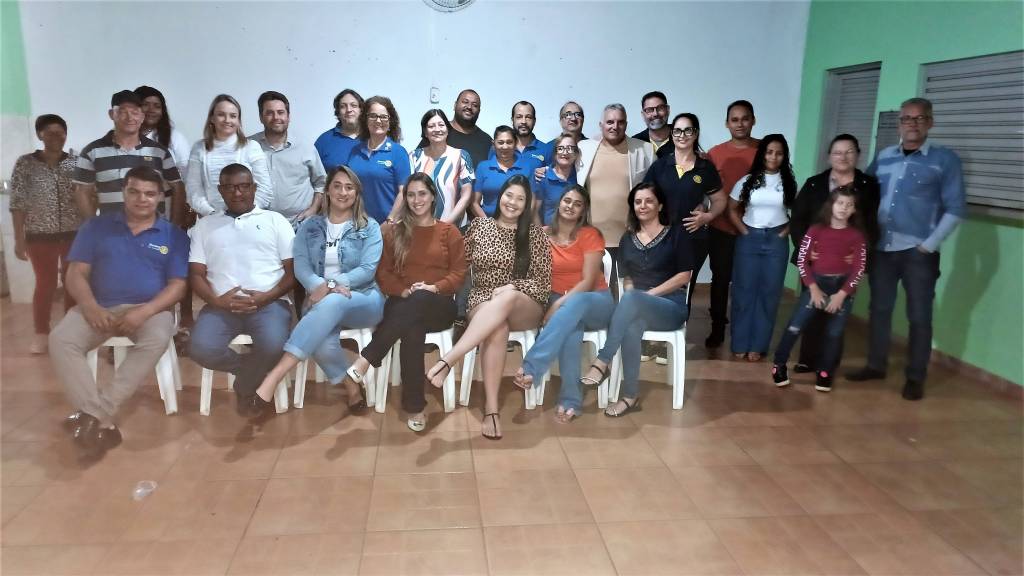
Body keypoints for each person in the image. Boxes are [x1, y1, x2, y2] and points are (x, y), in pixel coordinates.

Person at [49, 166, 188, 458]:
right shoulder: (96, 227)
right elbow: (75, 273)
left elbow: (177, 286)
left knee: (157, 338)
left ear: (160, 197)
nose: (142, 199)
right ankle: (101, 420)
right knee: (61, 339)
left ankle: (94, 413)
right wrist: (90, 306)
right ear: (123, 192)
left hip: (150, 310)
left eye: (150, 194)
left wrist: (145, 312)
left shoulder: (173, 235)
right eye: (134, 192)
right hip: (99, 306)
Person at [846, 97, 966, 401]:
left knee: (919, 316)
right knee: (879, 310)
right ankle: (876, 365)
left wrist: (929, 245)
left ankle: (915, 376)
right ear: (899, 124)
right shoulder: (884, 157)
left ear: (930, 122)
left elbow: (955, 208)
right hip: (883, 249)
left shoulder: (945, 160)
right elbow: (864, 194)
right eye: (906, 118)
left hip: (918, 253)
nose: (912, 124)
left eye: (919, 118)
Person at [250, 166, 385, 417]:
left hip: (364, 298)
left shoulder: (369, 227)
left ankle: (275, 375)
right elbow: (301, 265)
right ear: (327, 191)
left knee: (334, 301)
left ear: (356, 193)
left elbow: (367, 270)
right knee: (321, 343)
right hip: (319, 299)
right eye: (337, 186)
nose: (343, 192)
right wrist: (317, 286)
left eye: (349, 187)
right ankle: (351, 387)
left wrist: (330, 286)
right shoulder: (309, 226)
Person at [425, 175, 551, 439]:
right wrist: (434, 283)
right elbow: (458, 265)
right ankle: (491, 411)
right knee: (497, 326)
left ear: (527, 204)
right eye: (509, 195)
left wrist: (512, 287)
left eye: (520, 199)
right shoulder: (480, 226)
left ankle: (449, 360)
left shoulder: (535, 234)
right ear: (500, 196)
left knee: (507, 297)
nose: (512, 202)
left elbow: (543, 282)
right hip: (482, 299)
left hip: (524, 302)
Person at [345, 174, 466, 430]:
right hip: (402, 303)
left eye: (422, 194)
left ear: (433, 196)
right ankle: (415, 406)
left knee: (419, 303)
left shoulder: (449, 232)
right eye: (410, 195)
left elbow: (458, 274)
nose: (416, 200)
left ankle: (367, 359)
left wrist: (433, 288)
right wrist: (403, 292)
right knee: (412, 327)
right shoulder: (394, 232)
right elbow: (383, 273)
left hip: (440, 305)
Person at [188, 164, 295, 415]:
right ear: (220, 190)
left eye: (244, 186)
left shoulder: (275, 221)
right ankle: (252, 373)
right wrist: (217, 301)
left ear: (254, 188)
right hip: (221, 306)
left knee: (275, 345)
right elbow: (196, 275)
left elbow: (293, 273)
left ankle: (246, 384)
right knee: (200, 348)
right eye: (230, 187)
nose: (237, 193)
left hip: (269, 304)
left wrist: (266, 297)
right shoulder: (205, 226)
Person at [579, 182, 693, 416]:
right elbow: (627, 278)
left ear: (660, 205)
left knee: (632, 299)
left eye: (649, 201)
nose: (643, 205)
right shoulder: (628, 239)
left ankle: (602, 361)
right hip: (637, 307)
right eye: (638, 201)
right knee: (631, 325)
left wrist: (645, 296)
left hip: (671, 306)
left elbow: (684, 276)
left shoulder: (676, 234)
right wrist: (636, 298)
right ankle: (630, 396)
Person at [514, 185, 611, 423]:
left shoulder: (590, 235)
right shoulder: (542, 235)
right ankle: (570, 400)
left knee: (573, 306)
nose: (570, 206)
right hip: (560, 302)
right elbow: (534, 274)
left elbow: (588, 282)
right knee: (571, 329)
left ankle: (532, 366)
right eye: (567, 201)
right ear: (559, 204)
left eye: (577, 204)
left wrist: (557, 306)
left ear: (583, 211)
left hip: (595, 299)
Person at [789, 134, 879, 373]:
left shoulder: (868, 186)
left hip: (846, 263)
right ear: (829, 156)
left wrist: (859, 253)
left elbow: (871, 223)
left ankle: (829, 362)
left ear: (858, 155)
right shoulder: (814, 183)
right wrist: (807, 250)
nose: (843, 157)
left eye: (849, 152)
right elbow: (798, 219)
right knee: (812, 308)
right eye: (838, 152)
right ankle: (807, 359)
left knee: (837, 313)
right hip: (815, 261)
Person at [772, 186, 866, 392]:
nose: (844, 208)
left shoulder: (856, 236)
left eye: (849, 205)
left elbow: (859, 268)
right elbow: (802, 261)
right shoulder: (815, 230)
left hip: (842, 289)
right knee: (795, 326)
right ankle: (779, 364)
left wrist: (842, 295)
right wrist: (813, 288)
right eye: (840, 203)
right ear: (831, 205)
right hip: (817, 284)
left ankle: (825, 371)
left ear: (854, 210)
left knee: (834, 333)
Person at [10, 114, 81, 354]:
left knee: (73, 283)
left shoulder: (75, 163)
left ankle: (71, 331)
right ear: (40, 135)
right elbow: (18, 203)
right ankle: (41, 333)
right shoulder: (26, 164)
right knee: (46, 284)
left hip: (73, 233)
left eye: (61, 133)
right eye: (50, 133)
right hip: (39, 235)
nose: (56, 137)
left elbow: (86, 197)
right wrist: (19, 239)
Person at [643, 113, 724, 319]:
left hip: (692, 239)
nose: (682, 135)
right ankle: (656, 333)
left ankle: (678, 329)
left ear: (695, 134)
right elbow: (645, 198)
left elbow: (720, 200)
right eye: (678, 131)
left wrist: (707, 217)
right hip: (661, 239)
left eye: (688, 130)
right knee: (659, 285)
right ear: (672, 134)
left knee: (685, 288)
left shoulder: (705, 168)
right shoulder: (660, 166)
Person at [727, 134, 797, 361]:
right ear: (762, 154)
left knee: (769, 294)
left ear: (784, 156)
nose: (774, 157)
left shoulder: (788, 182)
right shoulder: (748, 180)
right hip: (749, 239)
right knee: (743, 291)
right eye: (769, 152)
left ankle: (758, 345)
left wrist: (785, 232)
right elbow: (731, 208)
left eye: (779, 153)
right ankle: (740, 343)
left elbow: (799, 212)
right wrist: (744, 230)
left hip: (776, 241)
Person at [73, 90, 183, 222]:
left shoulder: (159, 152)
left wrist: (174, 226)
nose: (129, 117)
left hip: (154, 231)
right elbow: (82, 192)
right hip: (111, 231)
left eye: (135, 112)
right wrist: (93, 228)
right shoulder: (91, 152)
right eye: (122, 111)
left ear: (142, 116)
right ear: (111, 114)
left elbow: (178, 187)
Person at [706, 100, 759, 348]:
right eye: (734, 120)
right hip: (721, 228)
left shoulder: (764, 151)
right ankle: (718, 326)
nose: (740, 124)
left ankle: (745, 329)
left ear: (753, 121)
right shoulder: (715, 154)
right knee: (720, 279)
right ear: (727, 123)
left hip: (753, 229)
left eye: (745, 118)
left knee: (749, 282)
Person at [576, 104, 655, 257]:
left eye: (620, 122)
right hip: (591, 239)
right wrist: (545, 170)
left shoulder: (645, 150)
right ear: (601, 125)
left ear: (626, 124)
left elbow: (657, 189)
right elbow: (564, 169)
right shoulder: (583, 149)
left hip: (631, 239)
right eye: (610, 122)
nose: (615, 126)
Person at [186, 94, 273, 217]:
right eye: (221, 115)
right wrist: (212, 214)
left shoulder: (252, 147)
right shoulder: (199, 148)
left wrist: (245, 214)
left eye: (233, 116)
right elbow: (193, 190)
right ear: (212, 118)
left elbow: (264, 189)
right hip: (211, 219)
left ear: (238, 120)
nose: (227, 120)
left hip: (248, 219)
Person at [252, 91, 328, 227]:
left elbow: (321, 183)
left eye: (280, 112)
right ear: (261, 117)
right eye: (269, 113)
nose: (276, 117)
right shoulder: (249, 146)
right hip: (259, 224)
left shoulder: (305, 147)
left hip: (299, 224)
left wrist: (313, 209)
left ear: (288, 116)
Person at [345, 95, 411, 224]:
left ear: (390, 122)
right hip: (357, 224)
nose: (378, 120)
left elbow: (404, 192)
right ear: (365, 120)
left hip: (388, 225)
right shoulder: (355, 151)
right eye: (373, 116)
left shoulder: (398, 152)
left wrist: (389, 221)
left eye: (384, 117)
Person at [409, 109, 475, 225]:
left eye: (441, 125)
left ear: (448, 129)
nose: (437, 129)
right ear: (425, 132)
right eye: (431, 126)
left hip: (455, 227)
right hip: (420, 226)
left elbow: (466, 194)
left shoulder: (462, 156)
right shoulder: (414, 156)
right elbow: (409, 193)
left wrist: (446, 224)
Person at [421, 89, 492, 168]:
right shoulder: (438, 132)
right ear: (455, 105)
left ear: (479, 111)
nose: (469, 107)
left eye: (475, 105)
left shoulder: (487, 141)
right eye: (465, 102)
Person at [134, 86, 191, 182]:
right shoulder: (123, 138)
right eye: (145, 104)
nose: (151, 110)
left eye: (157, 106)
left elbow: (188, 175)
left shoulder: (174, 137)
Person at [472, 125, 525, 218]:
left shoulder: (526, 168)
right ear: (493, 144)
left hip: (517, 224)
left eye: (509, 142)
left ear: (515, 143)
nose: (505, 147)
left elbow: (532, 203)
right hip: (487, 223)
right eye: (500, 142)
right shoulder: (483, 167)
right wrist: (488, 224)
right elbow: (474, 203)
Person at [533, 132, 578, 226]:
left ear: (576, 153)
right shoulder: (542, 177)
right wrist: (541, 233)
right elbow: (534, 211)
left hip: (576, 232)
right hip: (550, 233)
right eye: (560, 148)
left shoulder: (580, 176)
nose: (565, 152)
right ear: (555, 153)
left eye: (570, 148)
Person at [314, 88, 364, 171]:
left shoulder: (373, 138)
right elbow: (314, 175)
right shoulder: (324, 141)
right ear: (338, 112)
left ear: (361, 110)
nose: (349, 110)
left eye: (353, 105)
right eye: (343, 106)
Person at [509, 101, 552, 173]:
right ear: (512, 120)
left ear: (534, 121)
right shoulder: (500, 148)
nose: (524, 121)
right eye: (519, 117)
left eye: (528, 117)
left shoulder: (546, 150)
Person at [632, 91, 672, 157]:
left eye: (660, 108)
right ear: (643, 114)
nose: (655, 114)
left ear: (668, 110)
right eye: (649, 110)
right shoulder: (635, 143)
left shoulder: (684, 137)